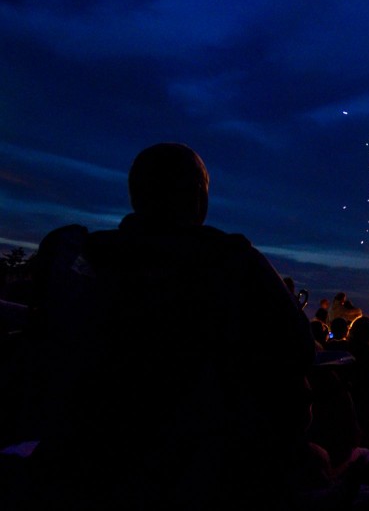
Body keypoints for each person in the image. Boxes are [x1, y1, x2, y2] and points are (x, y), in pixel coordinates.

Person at [26, 143, 316, 508]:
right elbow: (298, 348)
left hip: (91, 458)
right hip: (206, 464)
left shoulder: (90, 258)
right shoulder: (231, 260)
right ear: (198, 196)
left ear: (136, 195)